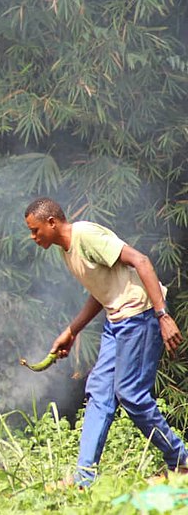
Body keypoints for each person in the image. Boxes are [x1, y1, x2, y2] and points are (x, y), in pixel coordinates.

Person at [24, 197, 187, 485]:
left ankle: (181, 459)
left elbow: (141, 261)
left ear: (51, 222)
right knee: (99, 392)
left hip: (141, 315)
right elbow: (101, 292)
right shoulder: (67, 250)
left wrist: (163, 315)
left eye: (35, 230)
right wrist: (72, 331)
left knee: (131, 395)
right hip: (117, 322)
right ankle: (84, 478)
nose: (33, 237)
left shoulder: (86, 235)